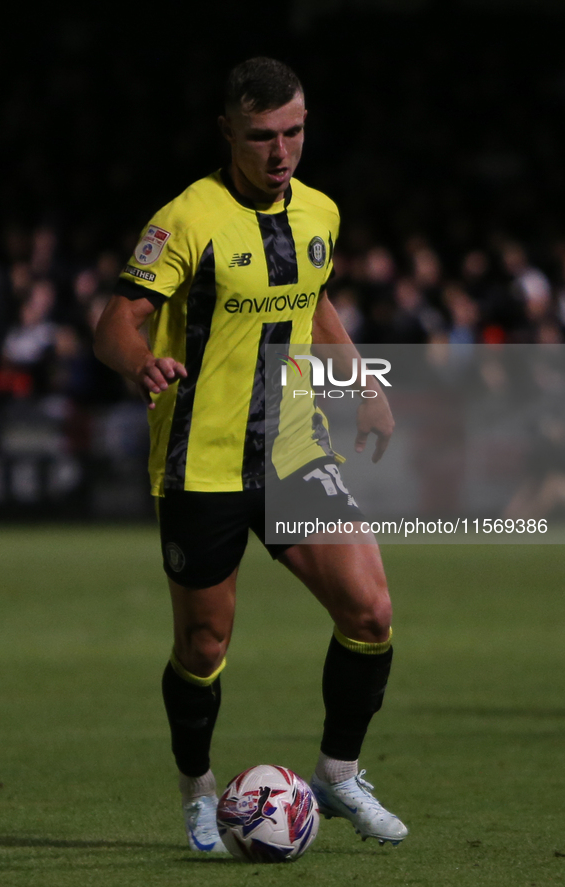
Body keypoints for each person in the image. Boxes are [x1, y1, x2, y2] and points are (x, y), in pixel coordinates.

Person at [94, 57, 408, 853]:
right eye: (262, 136)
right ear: (227, 133)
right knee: (204, 644)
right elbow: (114, 324)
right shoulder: (186, 219)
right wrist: (142, 362)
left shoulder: (320, 212)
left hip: (293, 450)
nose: (280, 152)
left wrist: (362, 382)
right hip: (201, 463)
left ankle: (337, 774)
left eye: (293, 132)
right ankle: (199, 790)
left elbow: (315, 299)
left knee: (369, 611)